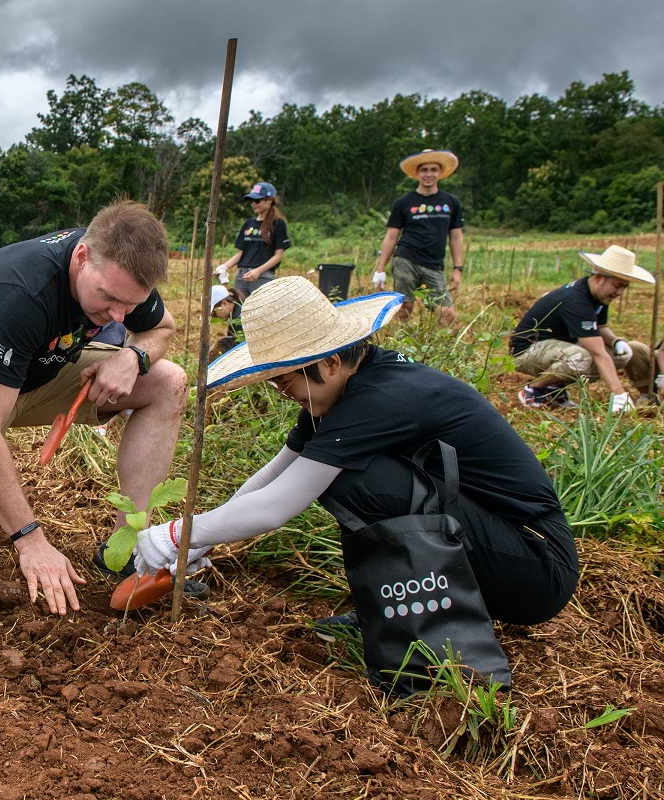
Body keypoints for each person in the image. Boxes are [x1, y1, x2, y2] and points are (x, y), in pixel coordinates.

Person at [133, 276, 578, 646]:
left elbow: (279, 505)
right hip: (497, 541)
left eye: (283, 381)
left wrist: (175, 534)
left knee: (350, 480)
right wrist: (197, 540)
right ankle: (395, 614)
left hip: (534, 563)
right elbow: (272, 477)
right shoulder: (341, 393)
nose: (281, 393)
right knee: (338, 473)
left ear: (327, 364)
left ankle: (426, 628)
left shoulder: (380, 398)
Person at [0, 201, 189, 615]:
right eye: (108, 299)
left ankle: (126, 551)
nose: (120, 315)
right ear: (82, 257)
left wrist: (132, 357)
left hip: (43, 376)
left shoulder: (121, 271)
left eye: (130, 304)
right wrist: (30, 540)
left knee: (167, 382)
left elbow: (162, 328)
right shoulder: (23, 290)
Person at [510, 244, 656, 411]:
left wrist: (616, 342)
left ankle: (554, 389)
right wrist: (619, 393)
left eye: (624, 287)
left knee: (624, 353)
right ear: (599, 278)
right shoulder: (576, 301)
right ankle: (534, 389)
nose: (620, 292)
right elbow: (597, 352)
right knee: (581, 358)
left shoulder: (598, 295)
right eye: (617, 285)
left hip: (557, 348)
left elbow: (600, 326)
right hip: (527, 350)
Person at [373, 149, 464, 327]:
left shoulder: (450, 202)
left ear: (440, 173)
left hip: (434, 264)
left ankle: (435, 349)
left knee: (446, 314)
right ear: (417, 173)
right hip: (406, 258)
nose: (429, 174)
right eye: (424, 170)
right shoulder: (404, 202)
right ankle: (400, 347)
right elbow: (392, 236)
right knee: (404, 306)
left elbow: (455, 236)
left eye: (433, 170)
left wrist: (458, 268)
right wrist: (381, 267)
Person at [214, 181, 292, 300]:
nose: (253, 204)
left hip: (262, 277)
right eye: (252, 201)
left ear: (269, 200)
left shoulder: (278, 223)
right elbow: (241, 253)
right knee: (240, 312)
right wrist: (224, 267)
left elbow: (278, 255)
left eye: (257, 201)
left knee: (260, 313)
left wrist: (258, 271)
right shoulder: (248, 223)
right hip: (242, 276)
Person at [209, 284, 243, 359]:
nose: (215, 317)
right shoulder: (240, 307)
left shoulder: (237, 319)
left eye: (214, 313)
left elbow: (235, 348)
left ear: (224, 304)